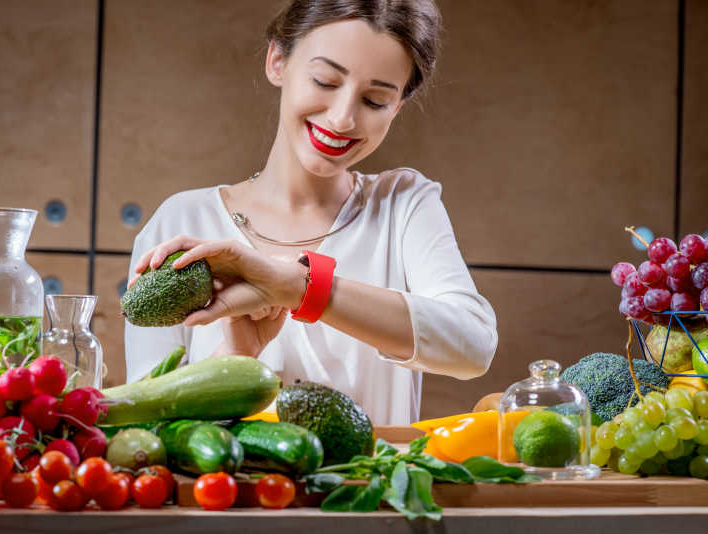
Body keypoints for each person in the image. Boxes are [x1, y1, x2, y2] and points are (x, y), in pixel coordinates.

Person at [125, 0, 498, 425]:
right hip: (233, 494)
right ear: (277, 61)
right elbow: (143, 430)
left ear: (397, 107)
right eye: (324, 80)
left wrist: (300, 288)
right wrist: (235, 355)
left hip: (374, 491)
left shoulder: (404, 204)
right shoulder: (182, 221)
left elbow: (474, 345)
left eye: (375, 101)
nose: (342, 118)